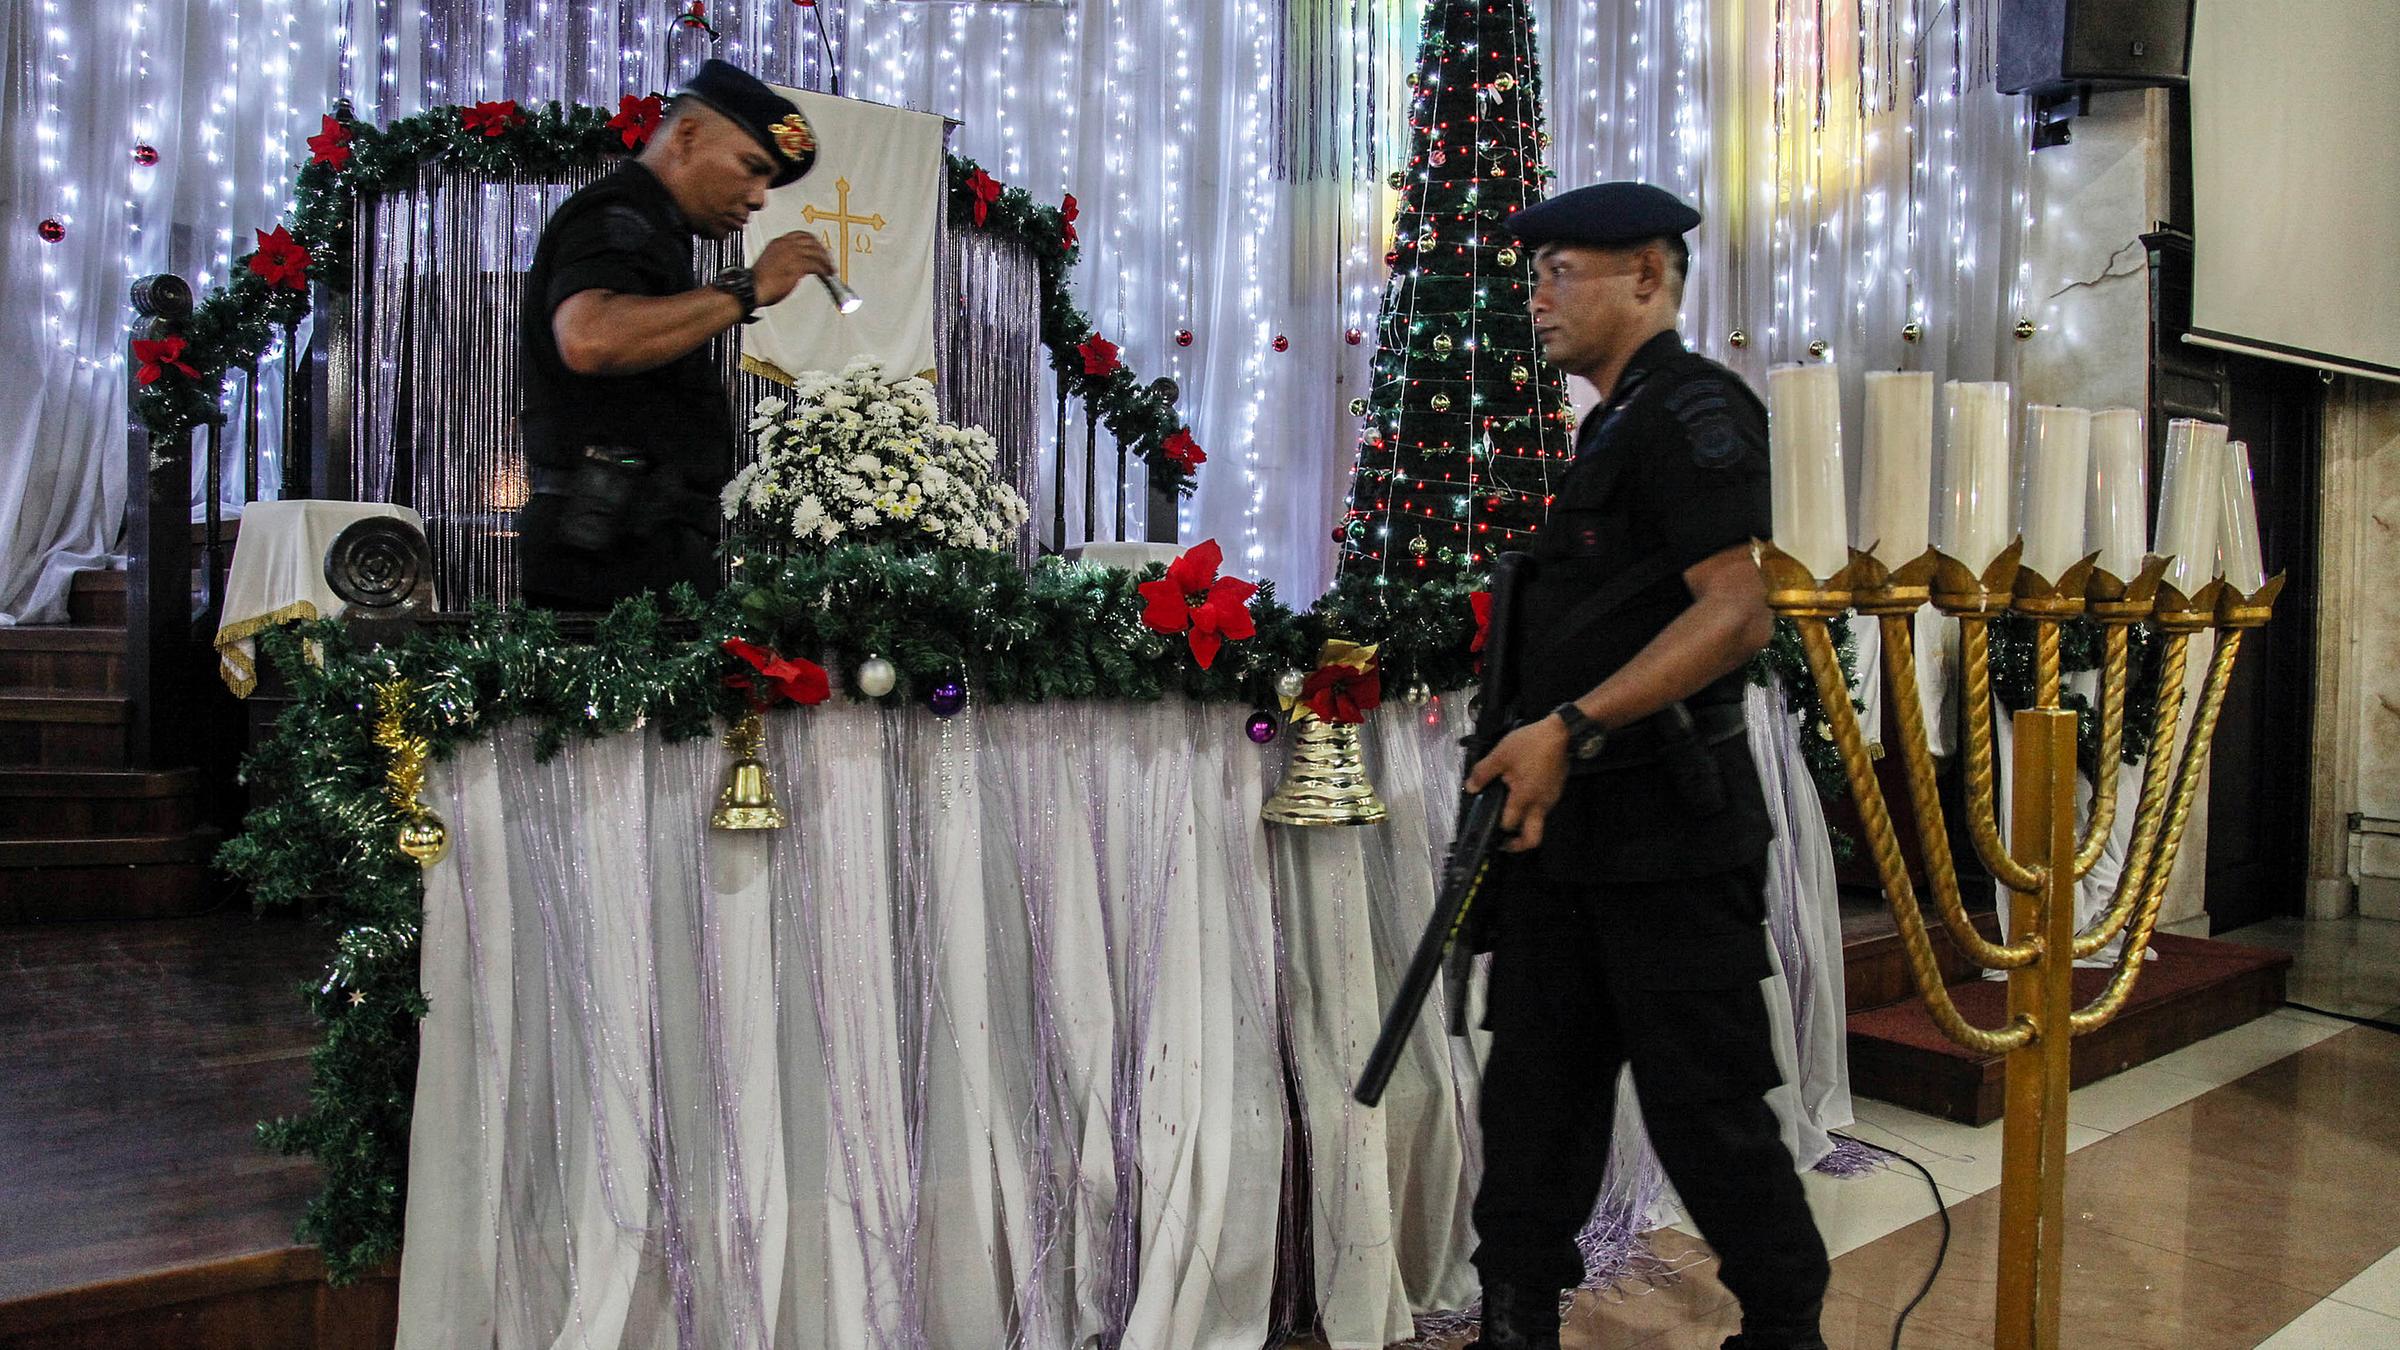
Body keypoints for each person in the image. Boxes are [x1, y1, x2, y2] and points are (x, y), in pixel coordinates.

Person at [1461, 182, 1831, 1350]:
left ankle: (1785, 1331)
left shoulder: (1693, 412)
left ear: (1647, 277)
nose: (1540, 297)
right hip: (1568, 837)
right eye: (1539, 274)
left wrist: (1566, 727)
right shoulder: (1610, 427)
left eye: (1561, 271)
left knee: (1710, 1112)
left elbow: (1737, 613)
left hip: (1668, 834)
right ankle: (1516, 1314)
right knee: (1534, 1103)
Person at [516, 59, 836, 609]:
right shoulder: (618, 214)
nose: (760, 197)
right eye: (752, 167)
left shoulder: (657, 229)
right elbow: (591, 338)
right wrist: (748, 289)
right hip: (607, 557)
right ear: (687, 135)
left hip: (640, 548)